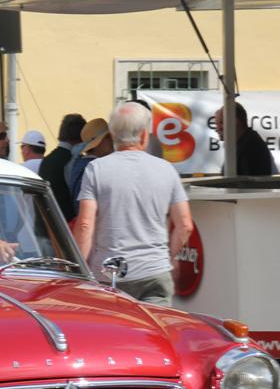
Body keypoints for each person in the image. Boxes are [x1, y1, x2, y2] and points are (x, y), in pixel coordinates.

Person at [73, 102, 193, 306]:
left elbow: (85, 225)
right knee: (154, 335)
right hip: (154, 272)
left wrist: (79, 272)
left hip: (109, 273)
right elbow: (185, 226)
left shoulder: (96, 169)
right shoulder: (167, 170)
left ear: (111, 135)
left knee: (114, 336)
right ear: (145, 136)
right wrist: (165, 257)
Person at [39, 113, 85, 220]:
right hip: (65, 226)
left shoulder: (47, 160)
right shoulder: (73, 161)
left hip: (45, 223)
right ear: (81, 137)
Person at [213, 102, 276, 176]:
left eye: (221, 123)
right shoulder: (243, 143)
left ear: (234, 121)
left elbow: (249, 184)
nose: (217, 129)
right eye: (216, 124)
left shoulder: (250, 146)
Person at [67, 117, 113, 217]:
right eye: (108, 137)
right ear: (99, 143)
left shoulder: (79, 165)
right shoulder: (93, 168)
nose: (112, 141)